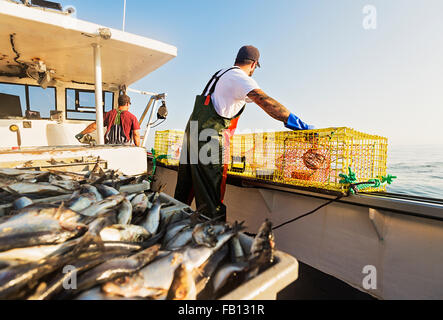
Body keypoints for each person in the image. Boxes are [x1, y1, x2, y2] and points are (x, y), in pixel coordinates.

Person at [174, 45, 314, 221]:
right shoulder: (240, 77)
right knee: (211, 197)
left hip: (192, 135)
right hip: (209, 139)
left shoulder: (222, 74)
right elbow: (265, 101)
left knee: (183, 190)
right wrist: (295, 123)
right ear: (254, 64)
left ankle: (172, 226)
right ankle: (211, 239)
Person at [75, 94, 141, 147]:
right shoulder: (132, 117)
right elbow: (136, 134)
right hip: (124, 148)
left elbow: (94, 126)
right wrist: (137, 147)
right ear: (127, 104)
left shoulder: (109, 114)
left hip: (109, 147)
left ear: (118, 103)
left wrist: (81, 133)